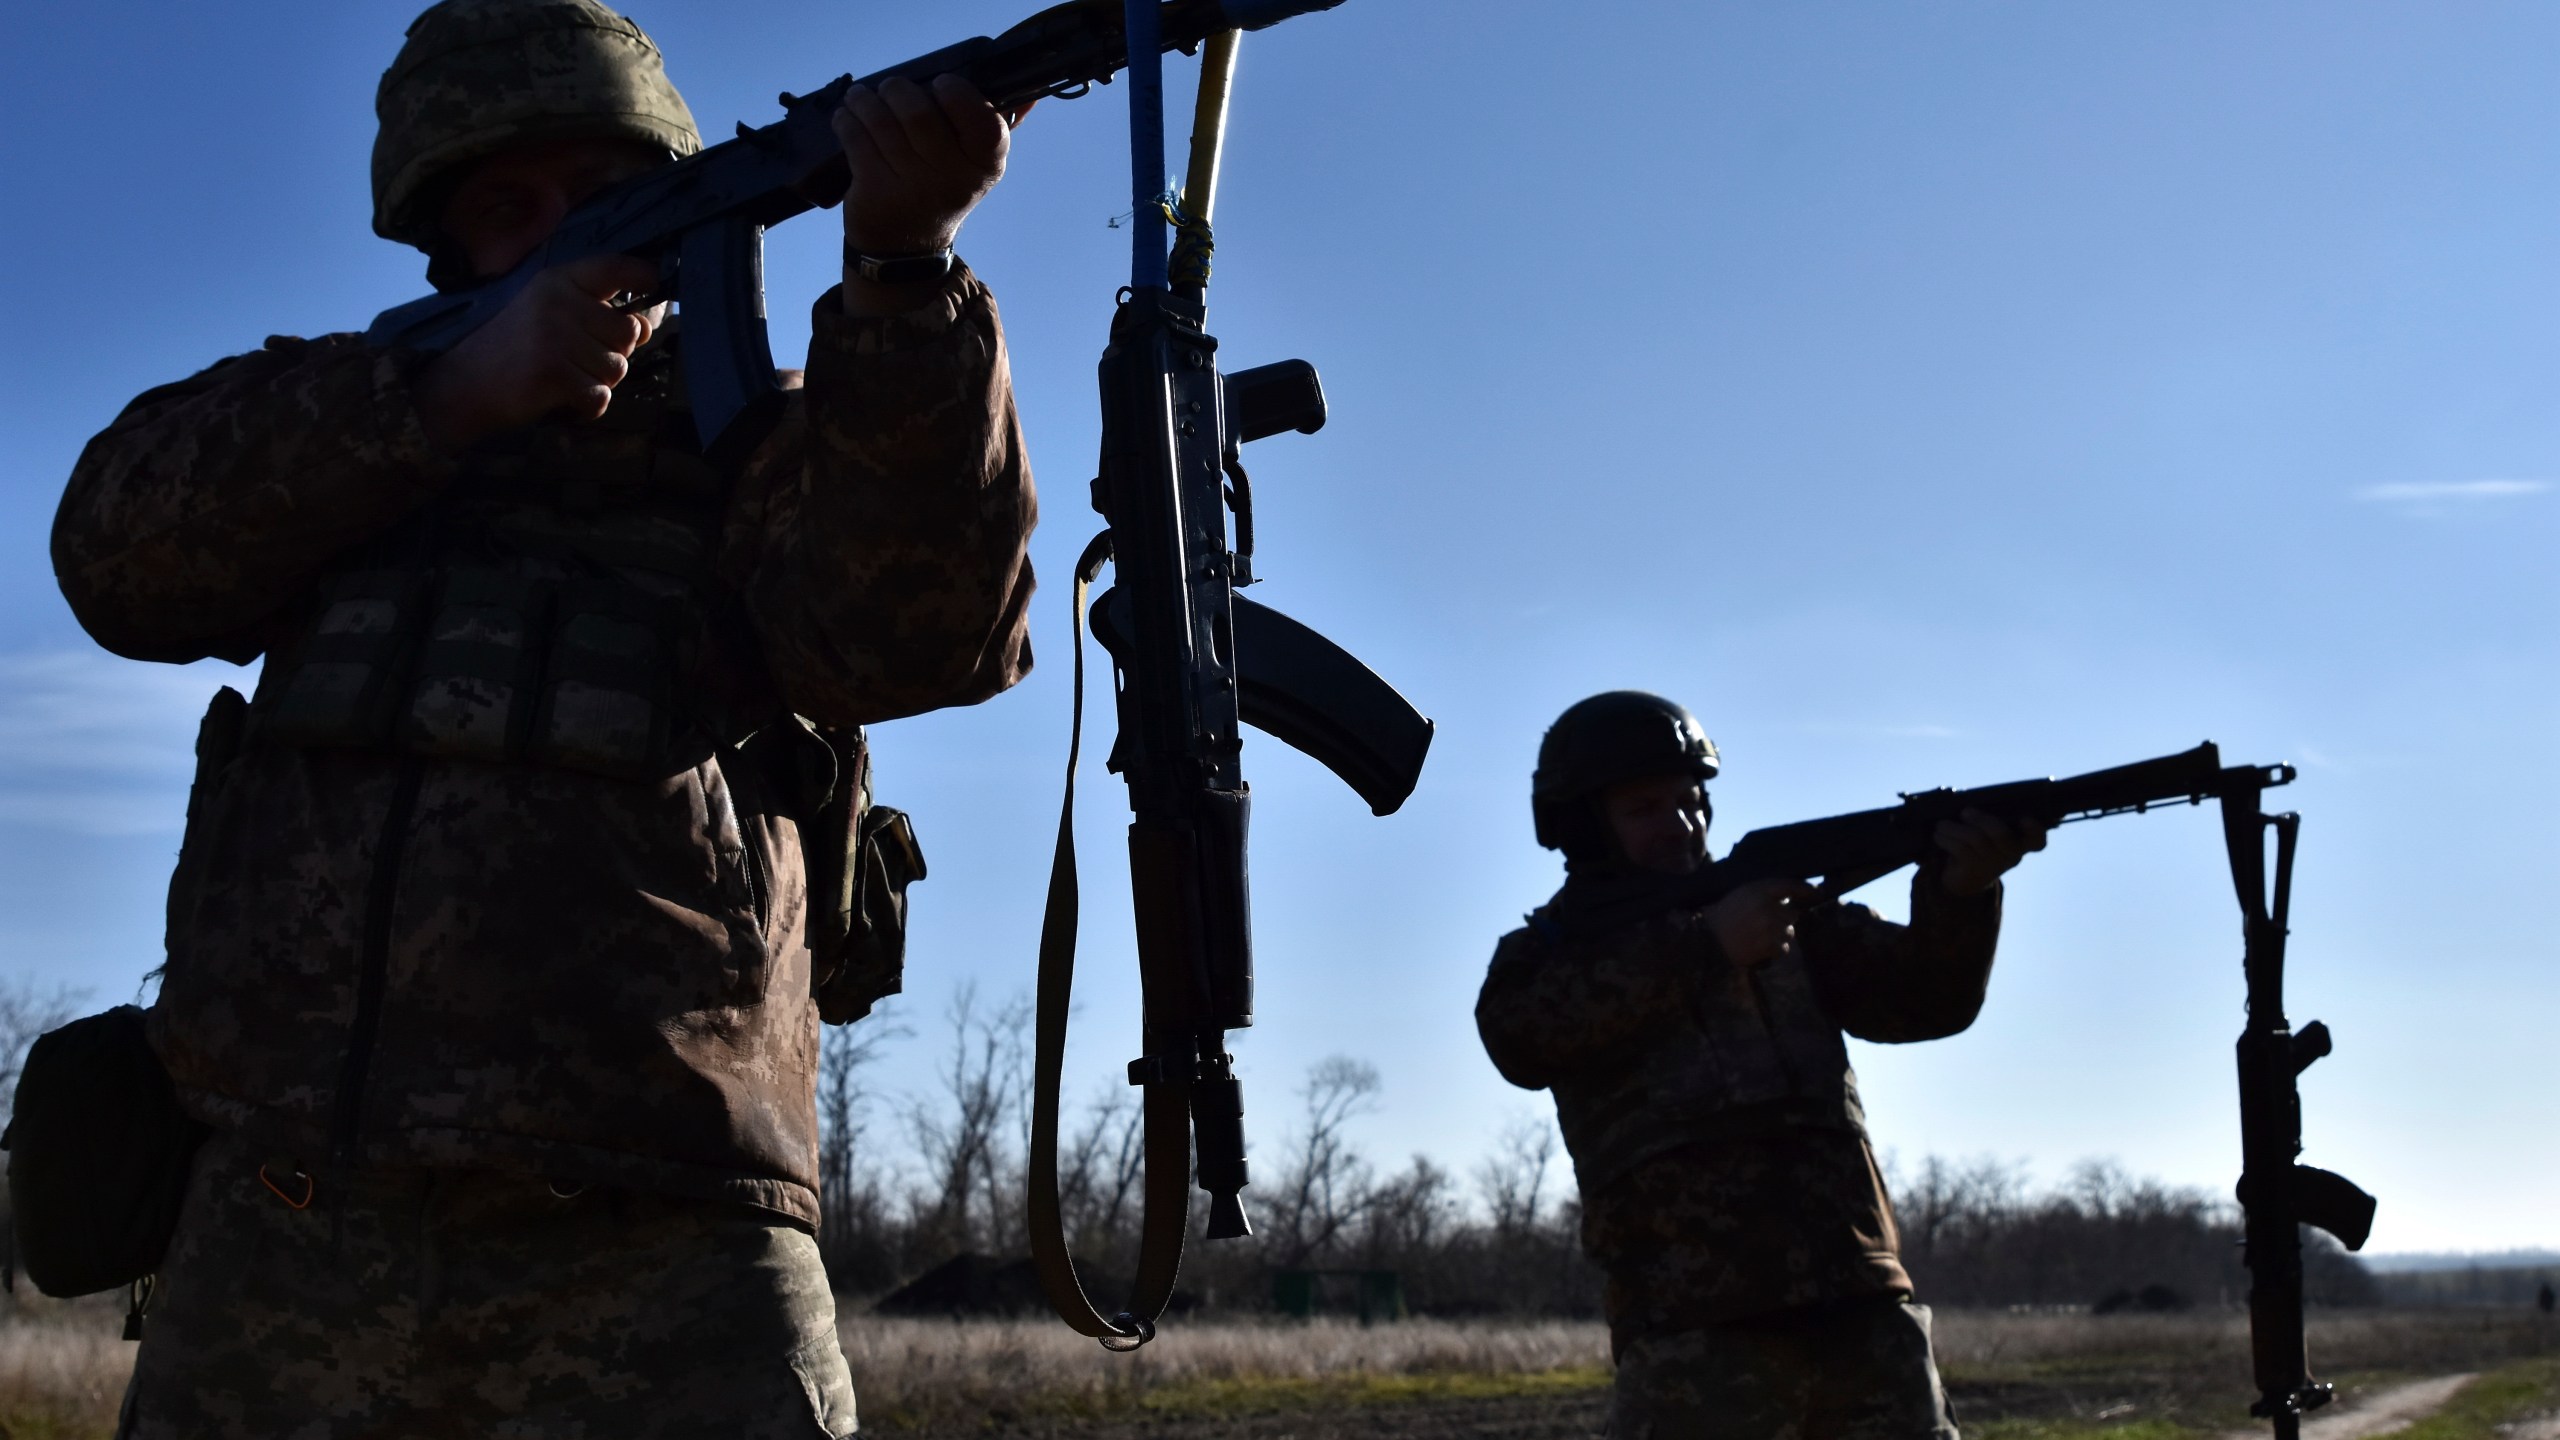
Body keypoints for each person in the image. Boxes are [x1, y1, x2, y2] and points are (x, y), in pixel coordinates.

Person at [50, 2, 1037, 1435]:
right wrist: (443, 399)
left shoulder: (769, 443)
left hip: (674, 1246)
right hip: (289, 1219)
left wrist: (902, 270)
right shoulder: (349, 413)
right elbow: (114, 556)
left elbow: (923, 639)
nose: (567, 235)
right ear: (445, 250)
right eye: (511, 211)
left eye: (600, 198)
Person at [1476, 692, 2047, 1440]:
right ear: (1585, 827)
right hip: (1697, 1335)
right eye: (1646, 808)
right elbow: (1520, 1039)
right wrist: (1705, 949)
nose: (1681, 826)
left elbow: (1925, 1001)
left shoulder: (1786, 917)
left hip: (1863, 1311)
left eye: (1690, 802)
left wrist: (1961, 894)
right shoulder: (1548, 955)